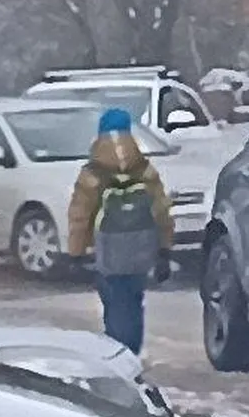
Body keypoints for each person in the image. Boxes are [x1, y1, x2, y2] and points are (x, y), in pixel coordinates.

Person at [66, 107, 175, 354]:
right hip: (141, 249)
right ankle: (133, 352)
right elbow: (161, 210)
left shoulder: (93, 172)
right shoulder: (144, 169)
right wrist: (165, 250)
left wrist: (76, 254)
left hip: (109, 251)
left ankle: (118, 354)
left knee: (115, 303)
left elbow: (80, 216)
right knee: (135, 301)